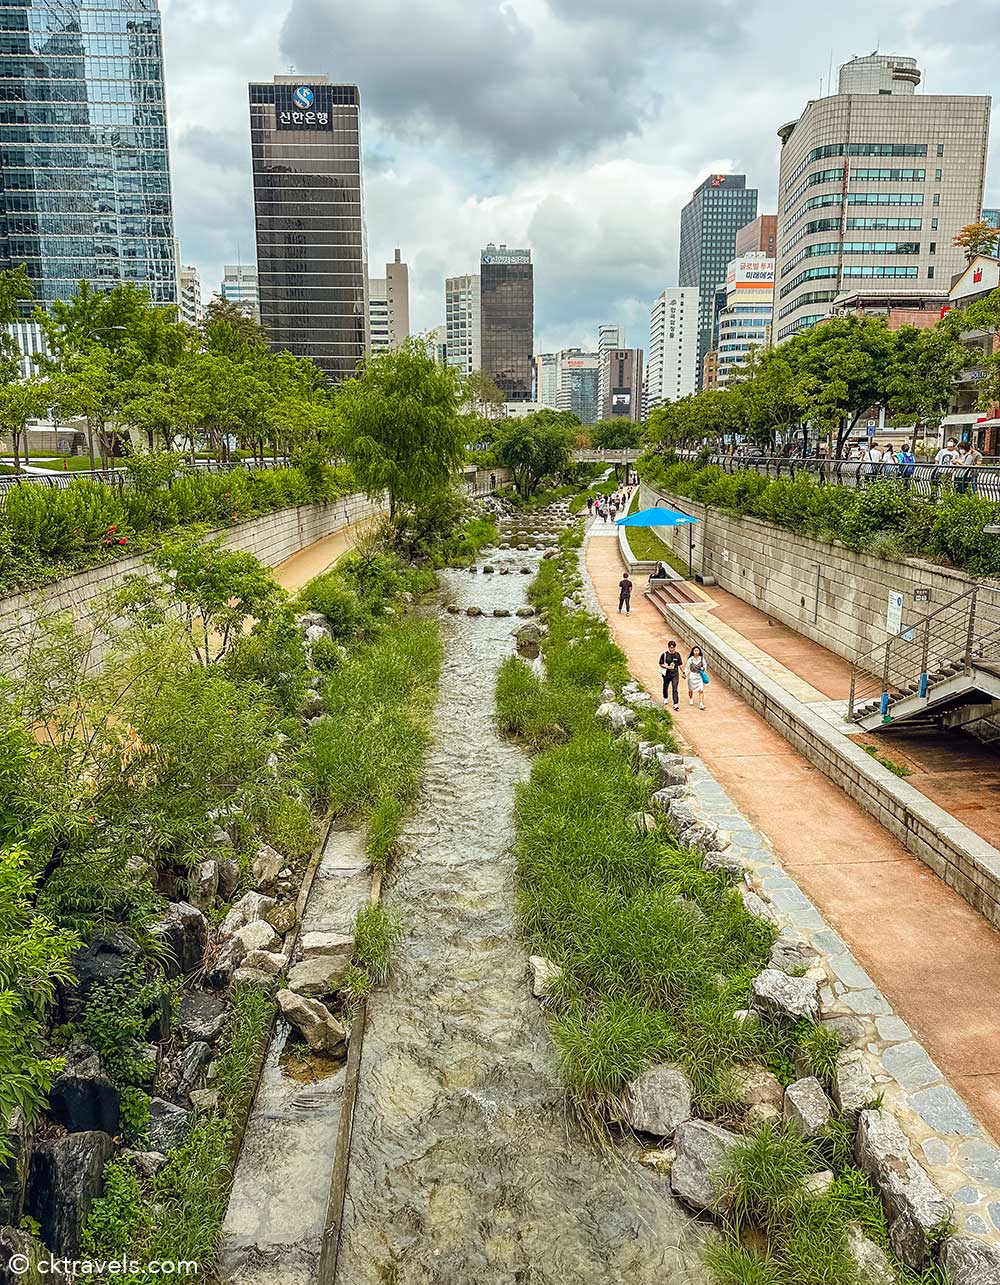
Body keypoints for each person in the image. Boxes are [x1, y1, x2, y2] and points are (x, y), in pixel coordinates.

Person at [659, 639, 683, 711]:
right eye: (670, 647)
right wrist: (667, 667)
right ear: (668, 647)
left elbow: (680, 664)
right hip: (667, 674)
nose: (672, 648)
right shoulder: (664, 655)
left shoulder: (677, 655)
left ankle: (675, 704)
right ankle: (665, 697)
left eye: (673, 647)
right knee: (665, 686)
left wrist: (683, 672)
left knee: (675, 688)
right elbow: (661, 664)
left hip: (675, 674)